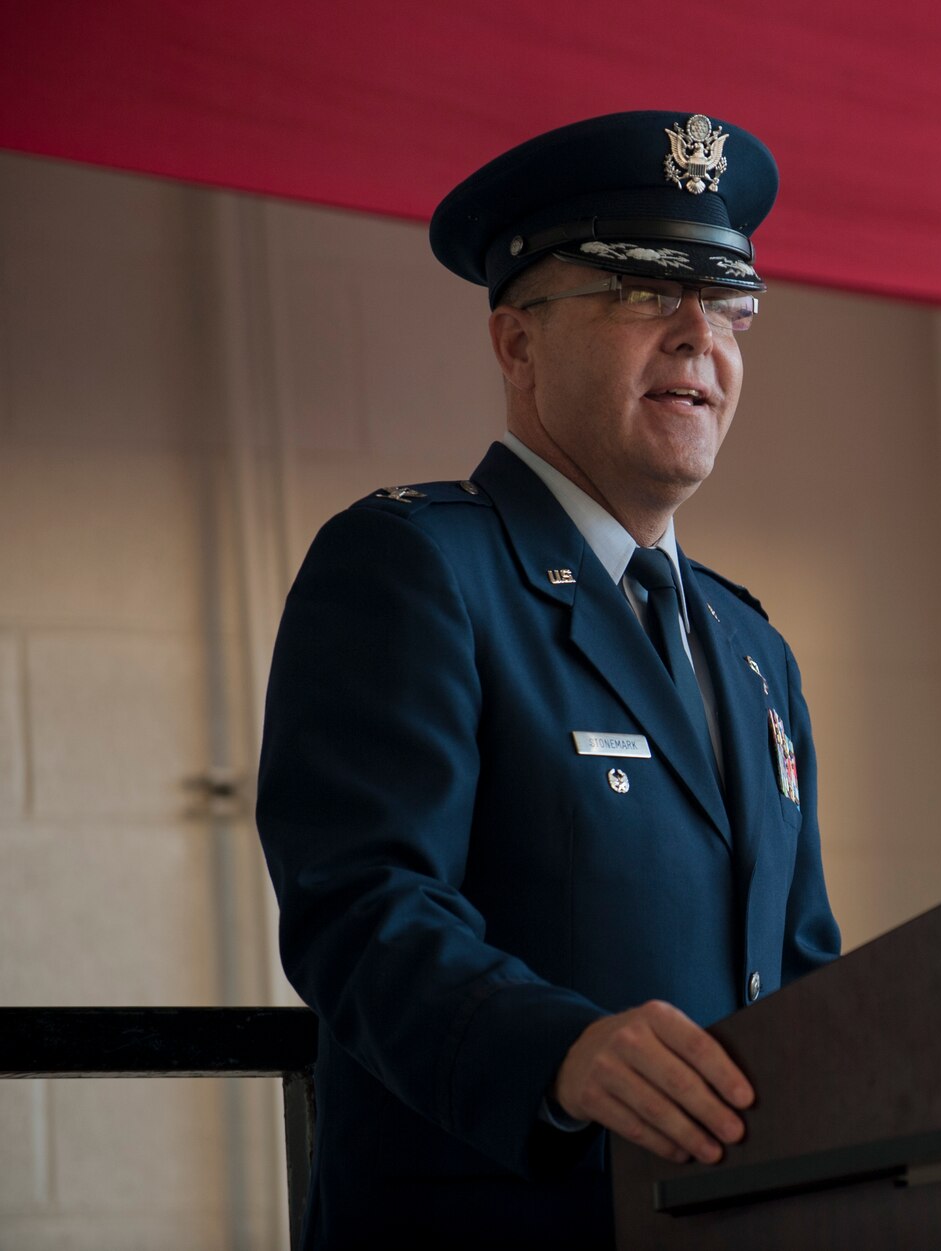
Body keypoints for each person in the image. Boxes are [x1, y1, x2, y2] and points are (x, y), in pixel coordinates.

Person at [256, 110, 840, 1248]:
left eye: (728, 307)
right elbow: (362, 906)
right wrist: (559, 1050)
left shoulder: (750, 645)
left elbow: (801, 967)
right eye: (638, 291)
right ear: (515, 344)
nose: (696, 338)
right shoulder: (418, 565)